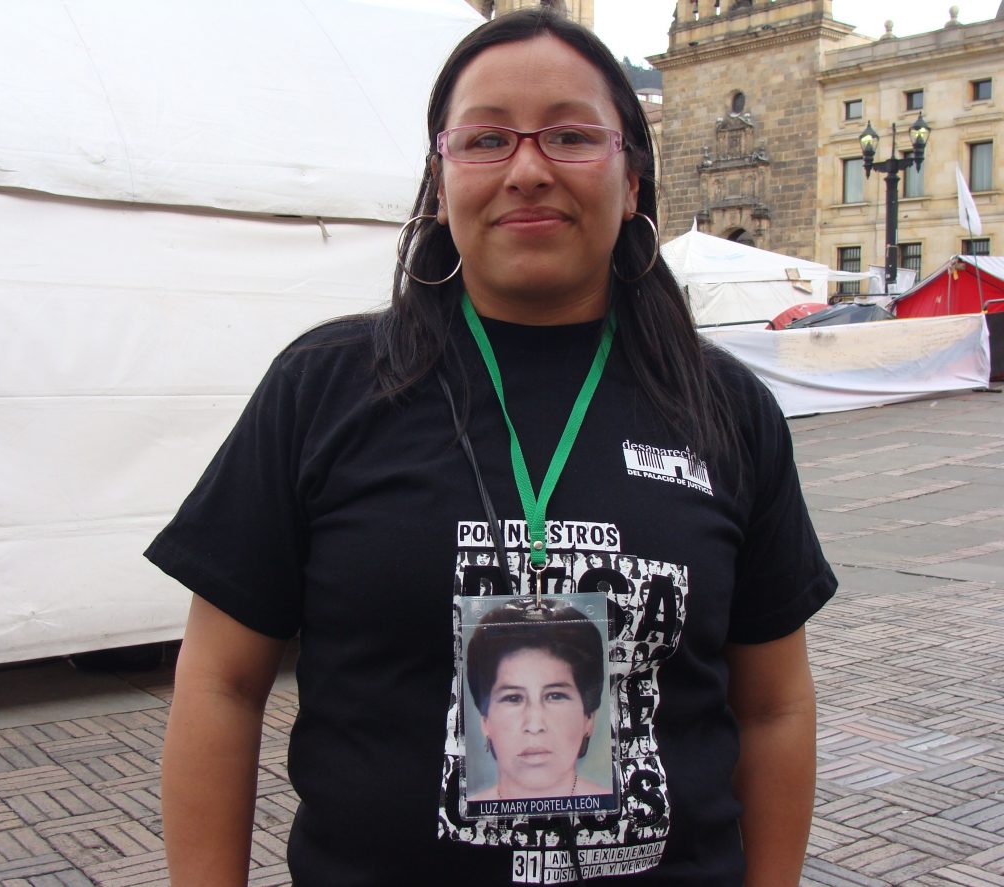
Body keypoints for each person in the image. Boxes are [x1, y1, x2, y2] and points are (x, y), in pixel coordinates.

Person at [148, 8, 835, 886]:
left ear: (632, 182)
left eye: (571, 136)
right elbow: (219, 684)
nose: (527, 170)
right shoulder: (322, 388)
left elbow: (774, 706)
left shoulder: (725, 408)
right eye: (485, 140)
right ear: (440, 182)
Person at [465, 605, 612, 801]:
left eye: (555, 696)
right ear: (485, 721)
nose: (534, 726)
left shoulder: (615, 807)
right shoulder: (467, 811)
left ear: (589, 718)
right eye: (513, 698)